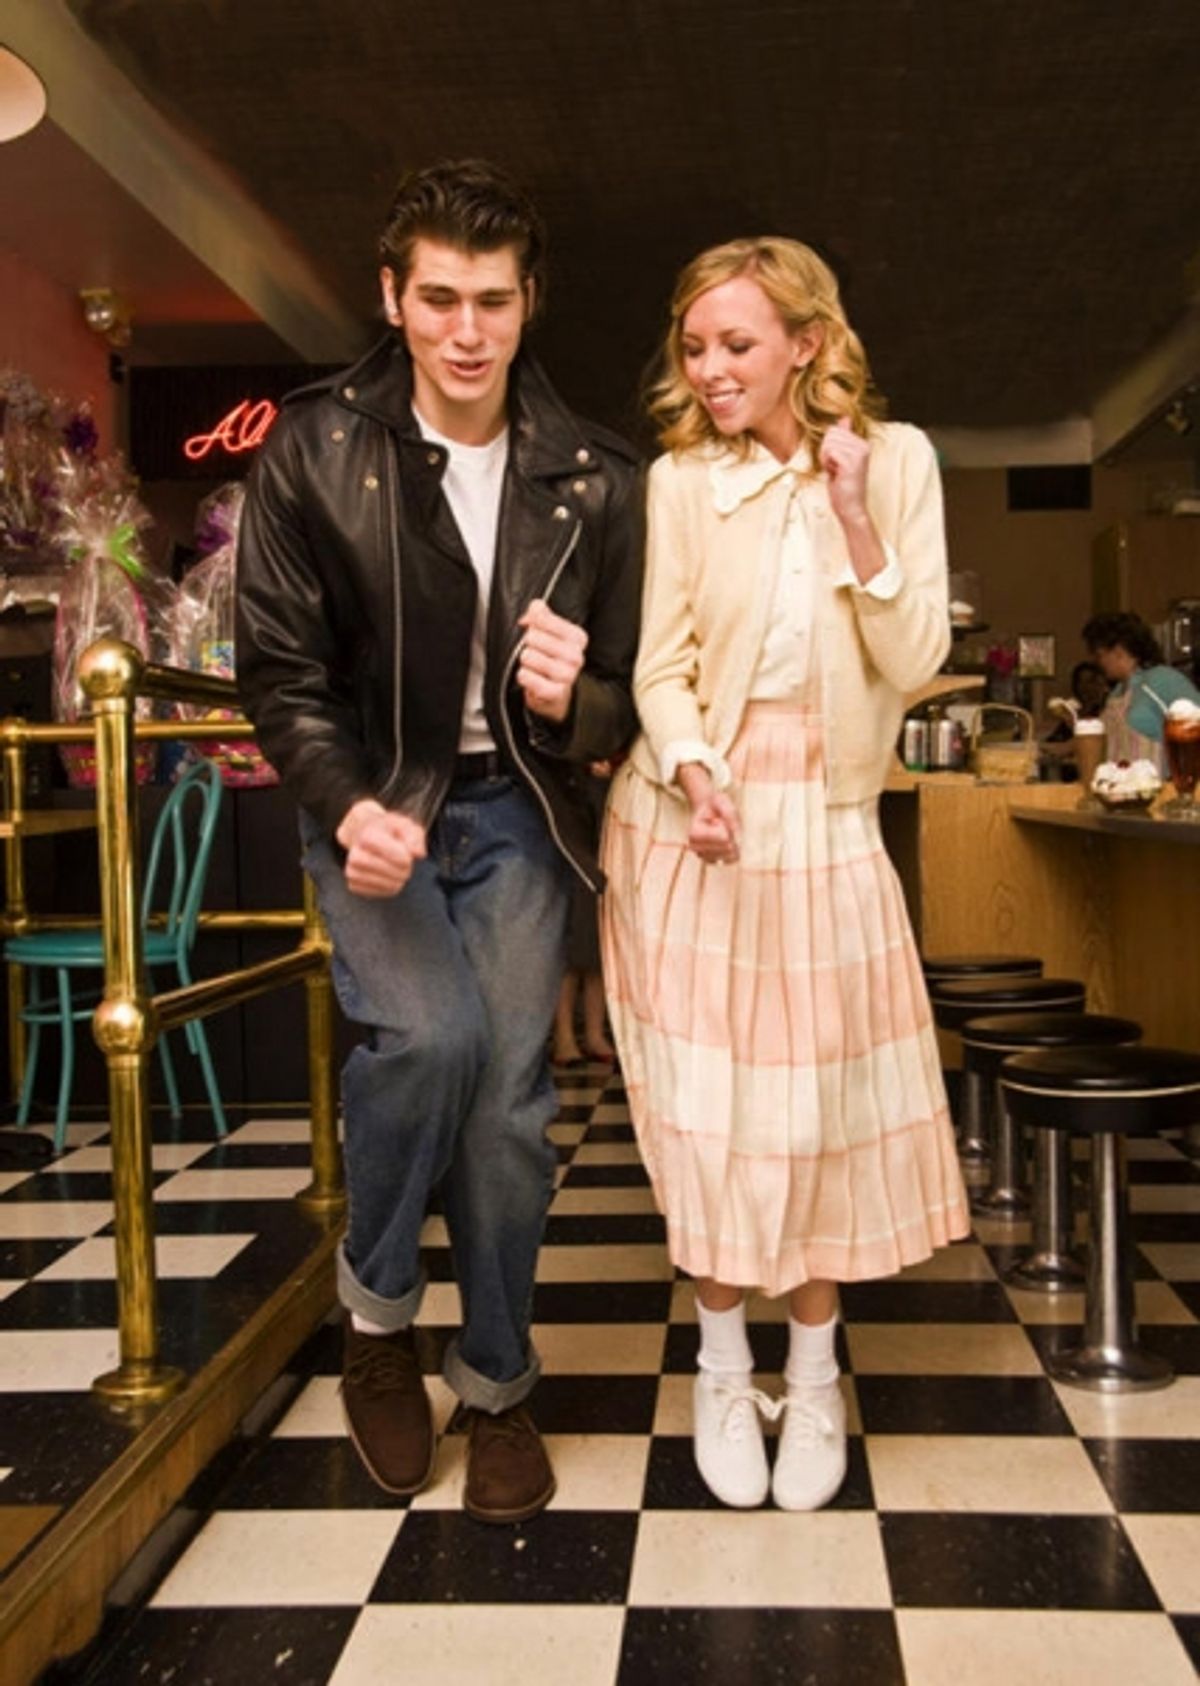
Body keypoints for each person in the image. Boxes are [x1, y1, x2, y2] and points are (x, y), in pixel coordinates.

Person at [236, 160, 642, 1523]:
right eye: (440, 299)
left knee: (515, 1115)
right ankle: (375, 1317)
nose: (467, 331)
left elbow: (635, 694)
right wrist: (347, 799)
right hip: (376, 802)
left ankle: (499, 1379)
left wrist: (571, 695)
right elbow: (280, 671)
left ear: (529, 306)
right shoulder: (312, 445)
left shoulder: (594, 476)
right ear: (392, 299)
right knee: (433, 1039)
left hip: (521, 807)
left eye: (494, 302)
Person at [601, 236, 969, 1512]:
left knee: (813, 1122)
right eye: (695, 346)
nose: (709, 369)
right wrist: (696, 768)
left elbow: (917, 655)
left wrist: (854, 507)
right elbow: (658, 666)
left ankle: (812, 1374)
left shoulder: (900, 458)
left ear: (807, 344)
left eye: (738, 344)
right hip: (696, 821)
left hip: (826, 816)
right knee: (711, 1123)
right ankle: (718, 1364)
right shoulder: (679, 484)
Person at [1082, 611, 1200, 772]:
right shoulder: (1116, 693)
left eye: (1100, 655)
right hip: (1119, 788)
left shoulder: (1162, 680)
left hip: (1162, 789)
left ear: (1119, 651)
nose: (1099, 662)